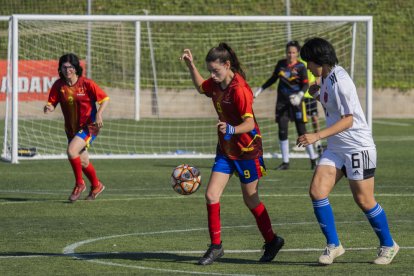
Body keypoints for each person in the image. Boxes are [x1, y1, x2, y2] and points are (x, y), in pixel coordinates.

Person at [298, 37, 399, 265]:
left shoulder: (340, 81)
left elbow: (348, 120)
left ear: (318, 61)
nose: (308, 67)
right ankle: (334, 245)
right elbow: (330, 104)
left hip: (357, 147)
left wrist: (316, 135)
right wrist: (315, 93)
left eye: (309, 62)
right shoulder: (325, 77)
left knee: (364, 200)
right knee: (317, 191)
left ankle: (388, 244)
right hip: (336, 148)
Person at [181, 42, 284, 265]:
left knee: (250, 199)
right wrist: (191, 66)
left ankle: (272, 240)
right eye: (210, 70)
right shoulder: (217, 83)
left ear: (227, 65)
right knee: (211, 195)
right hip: (226, 150)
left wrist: (231, 129)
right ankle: (216, 247)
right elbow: (201, 87)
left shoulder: (240, 90)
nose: (212, 75)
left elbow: (249, 124)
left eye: (215, 70)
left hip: (247, 150)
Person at [44, 53, 109, 202]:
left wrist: (99, 114)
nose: (68, 70)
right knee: (83, 161)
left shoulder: (86, 83)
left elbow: (105, 99)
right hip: (71, 129)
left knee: (71, 151)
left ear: (76, 68)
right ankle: (97, 185)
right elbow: (52, 103)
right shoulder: (58, 85)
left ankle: (80, 184)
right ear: (60, 68)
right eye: (65, 67)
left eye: (71, 67)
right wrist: (48, 107)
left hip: (89, 126)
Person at [254, 41, 318, 170]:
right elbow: (272, 79)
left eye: (293, 52)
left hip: (297, 103)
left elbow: (305, 84)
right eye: (289, 52)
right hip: (282, 104)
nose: (291, 54)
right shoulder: (281, 64)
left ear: (297, 53)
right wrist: (259, 90)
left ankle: (313, 160)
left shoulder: (301, 66)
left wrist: (299, 95)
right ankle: (285, 162)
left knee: (302, 132)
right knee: (282, 131)